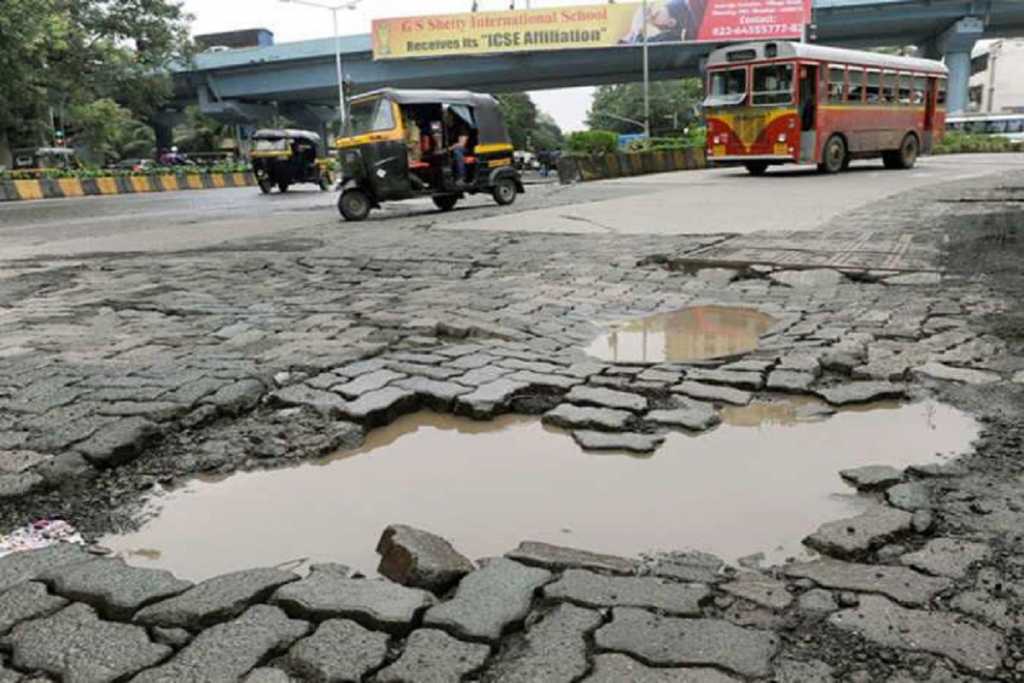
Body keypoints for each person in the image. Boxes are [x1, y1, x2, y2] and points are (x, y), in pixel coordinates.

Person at [444, 108, 471, 186]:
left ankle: (461, 178)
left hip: (466, 149)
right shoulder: (447, 127)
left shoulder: (462, 126)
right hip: (451, 147)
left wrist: (448, 149)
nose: (445, 116)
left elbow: (461, 144)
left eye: (447, 115)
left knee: (457, 150)